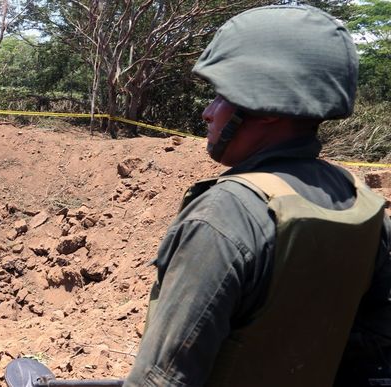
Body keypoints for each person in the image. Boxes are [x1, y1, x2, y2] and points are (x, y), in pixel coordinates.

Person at [125, 5, 391, 387]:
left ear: (264, 107)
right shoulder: (361, 204)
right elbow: (374, 359)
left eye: (221, 96)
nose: (208, 112)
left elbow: (161, 380)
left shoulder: (225, 216)